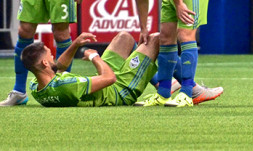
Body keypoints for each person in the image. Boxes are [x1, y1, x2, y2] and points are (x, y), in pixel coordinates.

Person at [22, 31, 159, 106]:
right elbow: (110, 78)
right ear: (45, 63)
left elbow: (60, 67)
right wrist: (94, 57)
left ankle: (158, 81)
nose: (53, 55)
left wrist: (75, 44)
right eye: (50, 54)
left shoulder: (36, 86)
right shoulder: (66, 86)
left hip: (104, 80)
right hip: (119, 91)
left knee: (124, 37)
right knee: (155, 39)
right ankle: (165, 87)